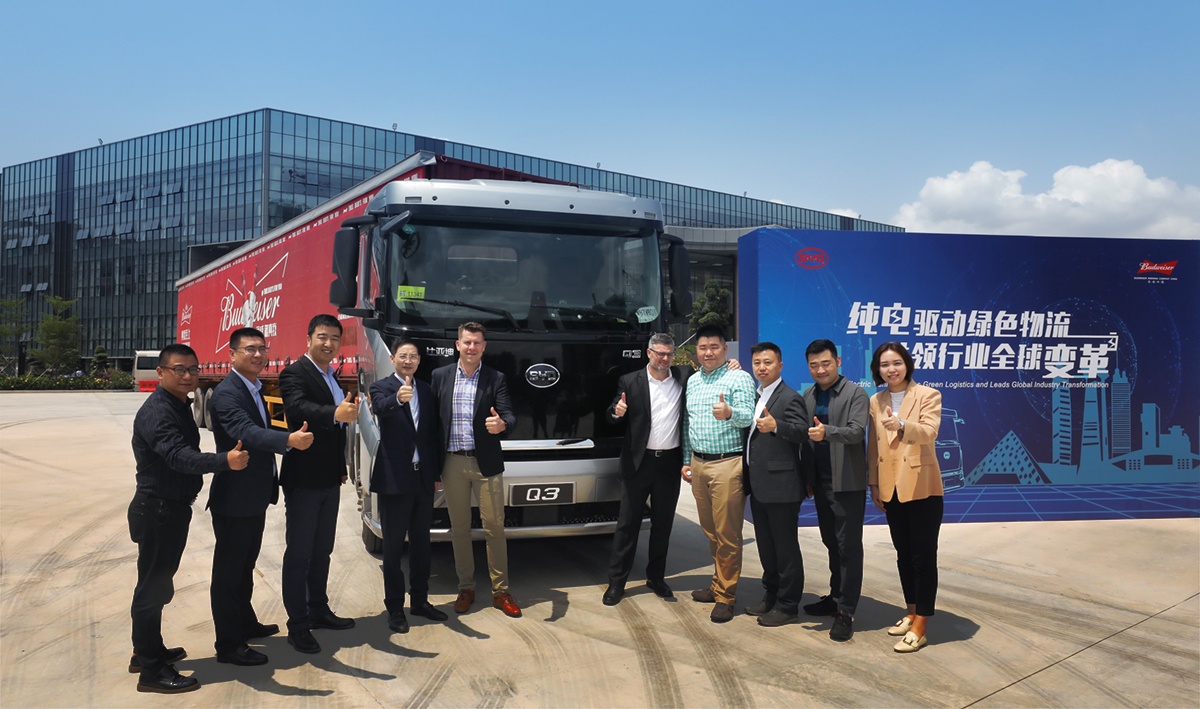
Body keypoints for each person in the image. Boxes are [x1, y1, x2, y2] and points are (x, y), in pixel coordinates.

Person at [128, 344, 249, 694]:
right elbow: (178, 457)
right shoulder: (158, 412)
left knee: (156, 586)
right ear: (161, 372)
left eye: (193, 370)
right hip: (158, 510)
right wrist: (223, 461)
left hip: (170, 508)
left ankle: (146, 651)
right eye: (179, 369)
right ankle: (151, 671)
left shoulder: (178, 404)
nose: (187, 376)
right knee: (152, 590)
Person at [208, 327, 313, 666]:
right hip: (234, 497)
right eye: (249, 349)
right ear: (232, 354)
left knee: (245, 565)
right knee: (229, 574)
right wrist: (287, 441)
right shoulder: (227, 393)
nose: (257, 354)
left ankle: (245, 623)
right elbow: (245, 431)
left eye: (261, 348)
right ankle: (228, 644)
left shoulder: (253, 387)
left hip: (253, 495)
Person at [278, 314, 360, 654]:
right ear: (309, 339)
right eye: (322, 337)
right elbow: (297, 408)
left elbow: (335, 434)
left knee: (322, 550)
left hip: (328, 478)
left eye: (334, 338)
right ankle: (297, 625)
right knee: (299, 554)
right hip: (303, 478)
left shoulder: (331, 375)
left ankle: (318, 610)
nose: (328, 344)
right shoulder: (294, 373)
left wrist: (340, 467)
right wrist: (334, 413)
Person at [431, 322, 520, 618]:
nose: (471, 347)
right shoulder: (440, 376)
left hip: (486, 464)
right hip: (452, 463)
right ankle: (466, 588)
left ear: (484, 347)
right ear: (458, 345)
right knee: (459, 529)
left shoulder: (496, 378)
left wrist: (502, 424)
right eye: (467, 342)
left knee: (495, 526)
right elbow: (432, 424)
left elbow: (509, 415)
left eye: (477, 343)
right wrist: (432, 470)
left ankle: (501, 591)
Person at [867, 341, 944, 653]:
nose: (891, 369)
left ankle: (922, 623)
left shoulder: (928, 395)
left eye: (896, 363)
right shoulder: (876, 400)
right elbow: (874, 445)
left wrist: (900, 424)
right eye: (885, 364)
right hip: (890, 488)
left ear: (907, 365)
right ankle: (911, 611)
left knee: (923, 557)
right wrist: (874, 483)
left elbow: (930, 431)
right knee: (903, 554)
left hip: (922, 487)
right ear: (878, 369)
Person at [367, 340, 448, 633]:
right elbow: (379, 408)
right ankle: (394, 608)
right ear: (393, 359)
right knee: (392, 547)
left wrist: (435, 473)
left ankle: (420, 601)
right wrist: (398, 399)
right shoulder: (381, 387)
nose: (408, 360)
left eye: (413, 356)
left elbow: (432, 434)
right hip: (394, 479)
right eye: (403, 355)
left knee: (421, 543)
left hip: (422, 478)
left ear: (419, 361)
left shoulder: (426, 390)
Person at [601, 332, 688, 606]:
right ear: (649, 353)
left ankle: (656, 577)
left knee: (663, 524)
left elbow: (711, 369)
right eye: (659, 353)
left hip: (669, 463)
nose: (664, 358)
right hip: (638, 463)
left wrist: (733, 364)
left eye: (669, 354)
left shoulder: (683, 377)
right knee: (627, 524)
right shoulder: (630, 381)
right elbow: (611, 414)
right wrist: (617, 411)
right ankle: (617, 583)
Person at [680, 325, 757, 623]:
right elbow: (688, 422)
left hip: (727, 463)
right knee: (710, 531)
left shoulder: (739, 377)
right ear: (696, 352)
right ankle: (717, 584)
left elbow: (748, 416)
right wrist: (687, 459)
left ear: (725, 349)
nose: (708, 352)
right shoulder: (693, 381)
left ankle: (726, 596)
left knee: (728, 534)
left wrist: (730, 413)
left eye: (714, 346)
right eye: (703, 347)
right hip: (699, 463)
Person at [801, 339, 869, 642]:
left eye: (825, 363)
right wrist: (808, 477)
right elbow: (805, 440)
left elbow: (856, 432)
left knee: (848, 547)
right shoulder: (808, 395)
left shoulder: (856, 393)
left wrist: (826, 432)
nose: (820, 370)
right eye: (814, 365)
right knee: (831, 542)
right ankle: (835, 596)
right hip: (821, 482)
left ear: (838, 362)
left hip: (847, 483)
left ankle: (846, 611)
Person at [742, 342, 813, 627]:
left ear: (780, 366)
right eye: (757, 363)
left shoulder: (789, 397)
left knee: (785, 549)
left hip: (782, 487)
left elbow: (802, 432)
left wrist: (777, 427)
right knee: (766, 547)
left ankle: (788, 604)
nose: (762, 367)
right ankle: (771, 595)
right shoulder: (758, 395)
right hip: (759, 485)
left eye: (768, 362)